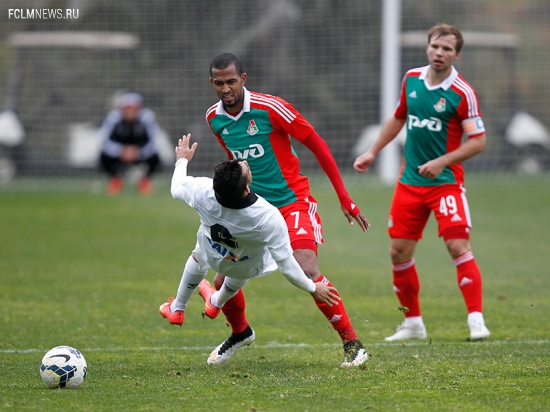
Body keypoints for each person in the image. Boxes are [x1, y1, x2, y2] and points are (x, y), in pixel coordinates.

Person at [205, 53, 370, 367]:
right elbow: (236, 164)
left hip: (292, 202)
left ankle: (353, 344)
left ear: (243, 78)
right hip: (254, 210)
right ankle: (240, 333)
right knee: (221, 280)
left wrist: (343, 197)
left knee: (307, 268)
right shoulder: (214, 118)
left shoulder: (271, 108)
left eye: (230, 81)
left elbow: (317, 144)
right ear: (211, 83)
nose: (225, 88)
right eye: (218, 83)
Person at [354, 23, 490, 342]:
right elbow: (399, 117)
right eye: (435, 46)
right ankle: (412, 324)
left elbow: (479, 141)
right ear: (427, 48)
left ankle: (476, 320)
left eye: (446, 49)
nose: (439, 53)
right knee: (398, 251)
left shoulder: (462, 93)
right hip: (409, 183)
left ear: (456, 55)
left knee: (457, 245)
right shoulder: (412, 79)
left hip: (445, 183)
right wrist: (372, 152)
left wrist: (442, 161)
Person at [159, 134, 343, 365]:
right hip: (246, 266)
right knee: (240, 265)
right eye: (244, 166)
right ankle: (216, 302)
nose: (244, 161)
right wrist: (311, 287)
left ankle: (178, 307)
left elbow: (176, 188)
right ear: (246, 189)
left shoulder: (202, 191)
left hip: (213, 254)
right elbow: (287, 266)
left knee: (197, 257)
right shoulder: (267, 216)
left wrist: (182, 160)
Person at [99, 92, 161, 196]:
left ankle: (144, 181)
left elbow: (154, 141)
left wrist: (139, 152)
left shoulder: (147, 118)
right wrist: (120, 151)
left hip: (139, 153)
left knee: (156, 158)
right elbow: (103, 140)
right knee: (103, 157)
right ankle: (115, 180)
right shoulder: (113, 118)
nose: (130, 111)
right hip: (119, 155)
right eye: (127, 108)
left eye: (133, 108)